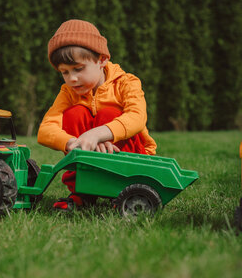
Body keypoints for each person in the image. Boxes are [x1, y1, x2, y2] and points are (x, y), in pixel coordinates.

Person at [37, 19, 157, 210]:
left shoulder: (126, 83)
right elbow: (45, 130)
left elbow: (137, 117)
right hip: (89, 158)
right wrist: (72, 142)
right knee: (75, 114)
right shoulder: (68, 92)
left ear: (102, 60)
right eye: (64, 72)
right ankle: (82, 193)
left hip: (131, 162)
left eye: (78, 69)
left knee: (109, 113)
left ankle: (121, 191)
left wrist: (97, 134)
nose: (72, 78)